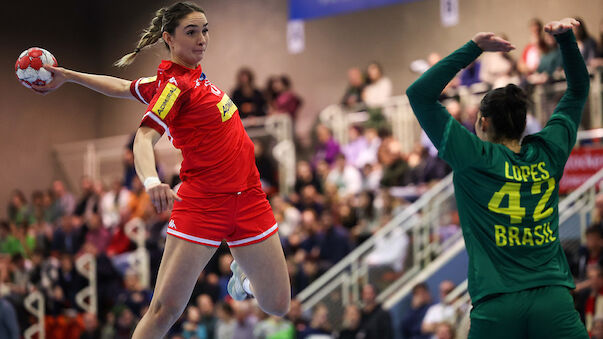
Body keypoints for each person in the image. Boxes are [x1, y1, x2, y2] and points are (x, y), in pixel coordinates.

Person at [32, 3, 290, 338]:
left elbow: (123, 87)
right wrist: (152, 180)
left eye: (205, 30)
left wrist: (69, 76)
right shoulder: (174, 88)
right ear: (168, 38)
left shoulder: (187, 78)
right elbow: (142, 138)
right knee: (164, 311)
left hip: (250, 196)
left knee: (278, 305)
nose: (202, 39)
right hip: (205, 204)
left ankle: (242, 277)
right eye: (191, 32)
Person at [406, 18, 589, 339]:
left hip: (496, 305)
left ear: (483, 123)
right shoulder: (548, 151)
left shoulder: (471, 156)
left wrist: (474, 48)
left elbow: (419, 94)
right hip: (552, 300)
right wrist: (565, 39)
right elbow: (577, 90)